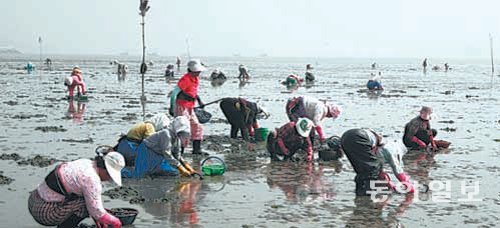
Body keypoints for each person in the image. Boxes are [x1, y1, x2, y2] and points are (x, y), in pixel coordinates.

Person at [28, 150, 125, 228]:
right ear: (106, 171)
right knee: (85, 204)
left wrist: (98, 218)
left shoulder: (86, 163)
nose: (108, 179)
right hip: (44, 212)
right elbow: (96, 211)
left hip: (34, 199)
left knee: (88, 201)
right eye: (110, 176)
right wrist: (116, 222)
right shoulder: (92, 179)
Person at [340, 128, 415, 196]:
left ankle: (360, 192)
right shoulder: (391, 149)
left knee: (361, 169)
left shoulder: (379, 149)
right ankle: (367, 194)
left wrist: (390, 185)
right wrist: (407, 184)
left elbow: (378, 168)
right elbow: (397, 169)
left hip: (345, 138)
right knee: (372, 170)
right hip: (359, 137)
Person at [121, 116, 202, 178]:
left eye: (184, 133)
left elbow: (177, 155)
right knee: (139, 175)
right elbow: (167, 154)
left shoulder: (177, 138)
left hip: (157, 153)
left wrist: (187, 166)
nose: (183, 135)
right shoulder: (166, 134)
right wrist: (181, 168)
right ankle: (121, 172)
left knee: (168, 172)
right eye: (181, 133)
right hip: (146, 150)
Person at [175, 59, 206, 154]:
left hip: (190, 107)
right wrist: (189, 97)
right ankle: (180, 150)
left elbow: (194, 92)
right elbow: (176, 93)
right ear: (192, 71)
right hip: (182, 106)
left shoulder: (196, 79)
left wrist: (199, 101)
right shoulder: (185, 79)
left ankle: (197, 149)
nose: (199, 73)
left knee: (197, 126)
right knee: (183, 128)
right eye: (197, 71)